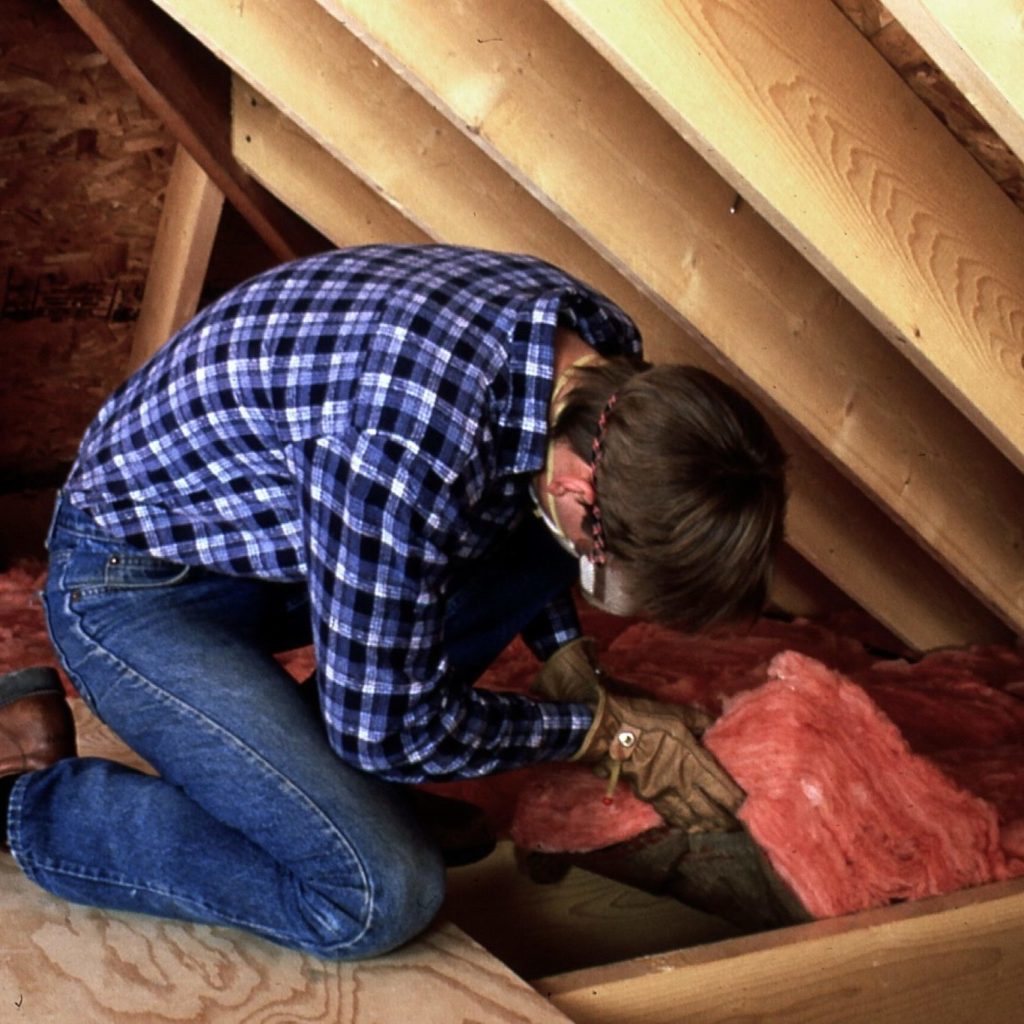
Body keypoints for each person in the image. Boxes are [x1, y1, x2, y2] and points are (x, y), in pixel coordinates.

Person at [0, 244, 786, 958]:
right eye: (599, 554)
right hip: (132, 583)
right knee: (378, 891)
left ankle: (315, 799)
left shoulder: (603, 370)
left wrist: (568, 660)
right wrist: (604, 735)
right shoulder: (405, 445)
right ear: (579, 488)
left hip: (273, 541)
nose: (593, 576)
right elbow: (384, 729)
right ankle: (35, 806)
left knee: (513, 536)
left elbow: (524, 521)